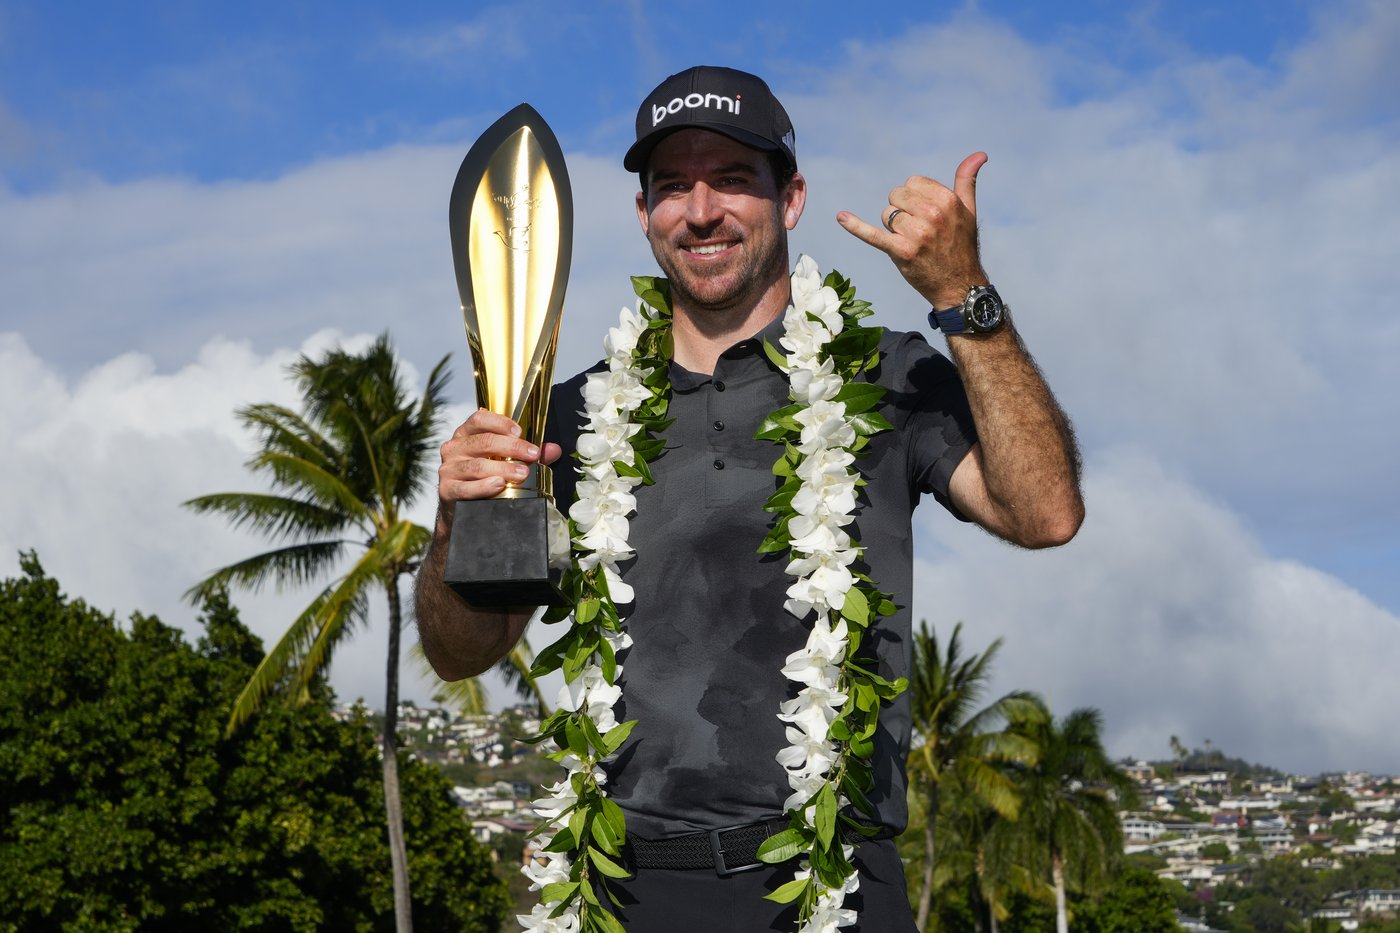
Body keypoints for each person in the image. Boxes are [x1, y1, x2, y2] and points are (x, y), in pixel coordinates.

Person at [416, 66, 1083, 931]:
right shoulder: (568, 417)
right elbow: (465, 650)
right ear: (643, 214)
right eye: (672, 188)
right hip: (627, 889)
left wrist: (964, 298)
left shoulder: (885, 374)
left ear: (791, 196)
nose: (700, 211)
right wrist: (454, 526)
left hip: (837, 881)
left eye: (732, 180)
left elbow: (1045, 513)